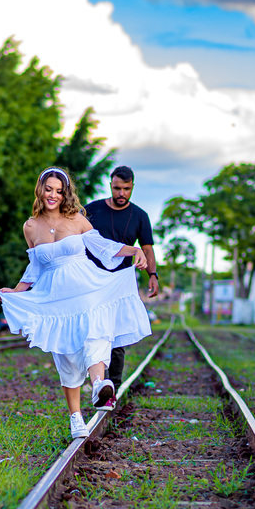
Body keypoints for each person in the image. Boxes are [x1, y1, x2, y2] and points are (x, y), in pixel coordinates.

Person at [0, 167, 152, 439]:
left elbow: (103, 247)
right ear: (41, 190)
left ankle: (98, 385)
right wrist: (16, 291)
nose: (53, 195)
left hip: (86, 288)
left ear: (65, 193)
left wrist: (135, 250)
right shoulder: (31, 226)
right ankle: (76, 417)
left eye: (59, 190)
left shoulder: (77, 219)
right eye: (49, 189)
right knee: (66, 355)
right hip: (55, 297)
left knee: (95, 336)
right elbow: (35, 268)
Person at [85, 165, 158, 398]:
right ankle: (94, 381)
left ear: (132, 187)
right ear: (110, 185)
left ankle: (111, 388)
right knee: (93, 331)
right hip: (92, 280)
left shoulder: (140, 216)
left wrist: (153, 275)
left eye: (126, 189)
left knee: (117, 335)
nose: (121, 193)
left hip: (122, 282)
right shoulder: (92, 211)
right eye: (117, 188)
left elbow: (147, 248)